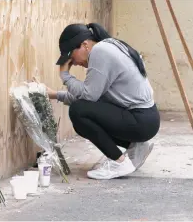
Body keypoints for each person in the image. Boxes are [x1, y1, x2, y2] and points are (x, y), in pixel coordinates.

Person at [46, 23, 160, 180]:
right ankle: (137, 146)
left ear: (85, 45)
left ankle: (119, 162)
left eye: (72, 57)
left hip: (140, 120)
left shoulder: (100, 52)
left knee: (78, 112)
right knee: (81, 113)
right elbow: (91, 97)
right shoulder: (108, 47)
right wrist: (54, 95)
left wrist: (65, 76)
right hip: (145, 119)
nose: (75, 63)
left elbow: (88, 96)